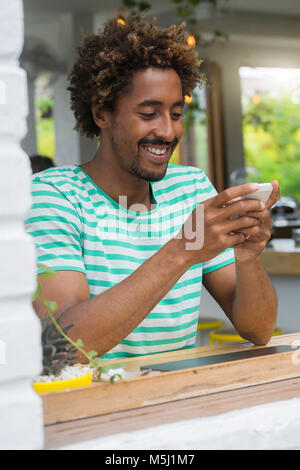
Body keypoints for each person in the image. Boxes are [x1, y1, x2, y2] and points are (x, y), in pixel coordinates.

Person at [25, 17, 280, 361]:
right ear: (102, 113)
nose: (167, 131)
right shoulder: (53, 195)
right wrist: (183, 250)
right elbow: (63, 348)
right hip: (87, 407)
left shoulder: (190, 188)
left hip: (170, 399)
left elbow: (259, 329)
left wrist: (248, 257)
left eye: (176, 114)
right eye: (149, 113)